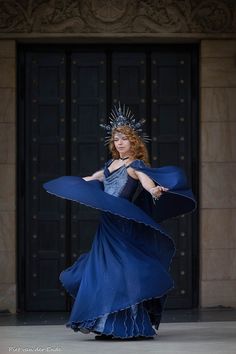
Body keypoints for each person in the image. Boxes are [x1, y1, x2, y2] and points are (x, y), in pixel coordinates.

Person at [43, 103, 196, 340]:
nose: (120, 143)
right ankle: (106, 325)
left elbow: (146, 182)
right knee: (104, 270)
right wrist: (70, 184)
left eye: (124, 139)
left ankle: (130, 324)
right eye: (116, 139)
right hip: (107, 224)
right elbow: (92, 178)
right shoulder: (109, 165)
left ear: (133, 141)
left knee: (123, 270)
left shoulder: (135, 165)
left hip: (123, 224)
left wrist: (155, 190)